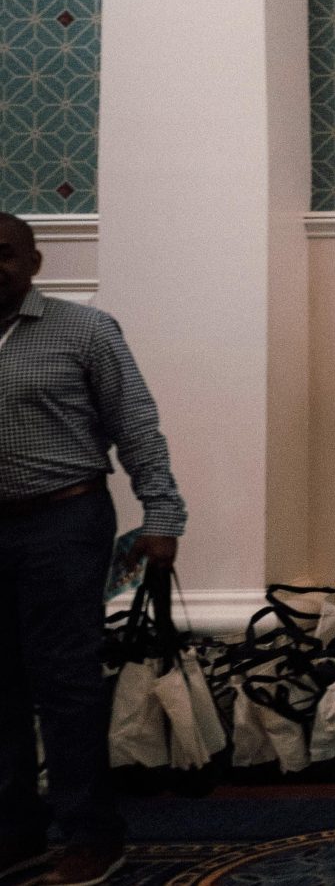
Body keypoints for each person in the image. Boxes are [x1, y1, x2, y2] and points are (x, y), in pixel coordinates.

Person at [0, 211, 185, 886]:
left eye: (5, 253)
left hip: (63, 522)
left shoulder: (84, 330)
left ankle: (91, 834)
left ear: (35, 262)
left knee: (65, 680)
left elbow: (136, 424)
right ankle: (15, 833)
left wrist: (162, 513)